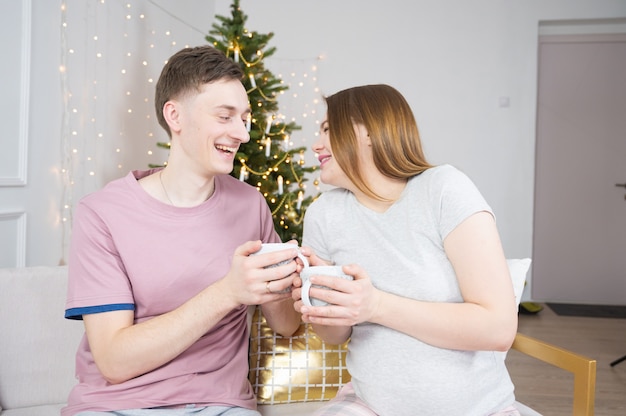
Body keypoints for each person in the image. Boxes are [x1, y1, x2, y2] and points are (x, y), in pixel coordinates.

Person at [63, 45, 301, 416]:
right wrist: (228, 292)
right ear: (174, 115)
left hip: (220, 406)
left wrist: (286, 283)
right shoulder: (101, 213)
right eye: (225, 116)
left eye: (245, 118)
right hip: (115, 407)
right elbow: (113, 361)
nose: (242, 134)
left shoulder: (250, 204)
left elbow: (285, 326)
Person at [293, 84, 520, 416]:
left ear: (368, 131)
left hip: (477, 409)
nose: (316, 143)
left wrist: (375, 305)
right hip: (369, 405)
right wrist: (319, 301)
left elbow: (498, 329)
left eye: (328, 129)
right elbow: (334, 336)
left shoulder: (443, 189)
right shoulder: (324, 213)